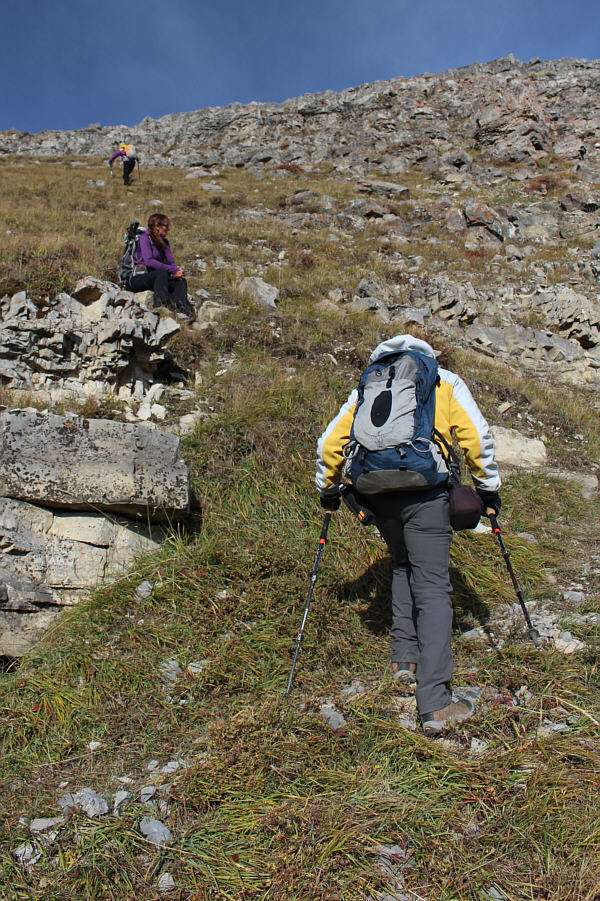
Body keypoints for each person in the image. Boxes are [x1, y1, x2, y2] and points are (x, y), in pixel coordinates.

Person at [315, 334, 501, 736]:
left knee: (402, 563)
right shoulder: (442, 380)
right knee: (433, 588)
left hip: (376, 493)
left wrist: (328, 490)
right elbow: (476, 436)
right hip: (425, 492)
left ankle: (405, 660)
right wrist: (487, 489)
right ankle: (435, 703)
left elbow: (330, 443)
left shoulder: (367, 386)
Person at [128, 213, 195, 320]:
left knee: (180, 281)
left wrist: (177, 271)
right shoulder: (144, 238)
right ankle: (160, 306)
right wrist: (172, 269)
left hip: (157, 278)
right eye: (166, 226)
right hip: (139, 278)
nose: (168, 229)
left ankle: (182, 310)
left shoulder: (165, 242)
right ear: (157, 227)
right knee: (162, 272)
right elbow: (149, 261)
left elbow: (171, 261)